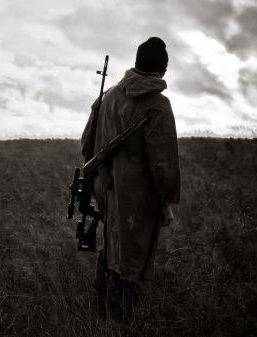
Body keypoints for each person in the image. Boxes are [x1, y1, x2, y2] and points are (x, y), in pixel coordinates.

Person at [80, 37, 181, 322]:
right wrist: (166, 202)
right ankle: (120, 325)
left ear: (136, 63)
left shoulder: (107, 96)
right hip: (138, 199)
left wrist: (100, 183)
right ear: (163, 69)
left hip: (106, 191)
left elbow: (86, 144)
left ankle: (101, 317)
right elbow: (163, 164)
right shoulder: (158, 106)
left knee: (111, 249)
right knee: (130, 264)